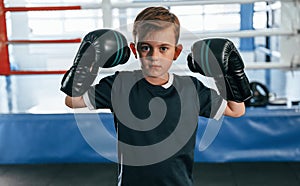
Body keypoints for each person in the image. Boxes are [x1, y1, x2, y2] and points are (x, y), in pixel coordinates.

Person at [61, 6, 251, 186]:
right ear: (135, 50)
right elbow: (72, 100)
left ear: (176, 52)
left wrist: (229, 73)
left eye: (163, 48)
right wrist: (86, 64)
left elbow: (236, 110)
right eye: (146, 48)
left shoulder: (190, 88)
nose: (154, 56)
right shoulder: (120, 84)